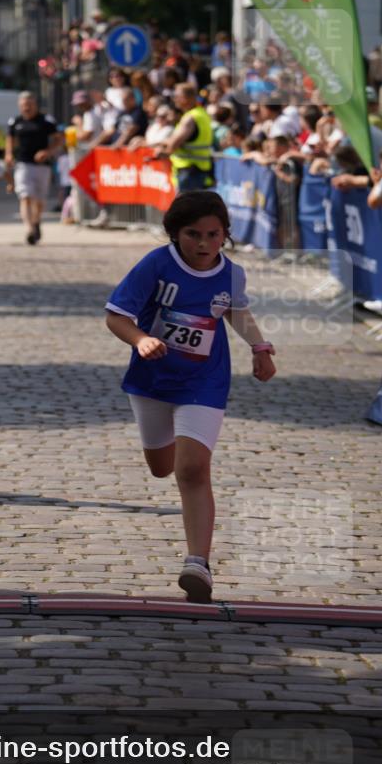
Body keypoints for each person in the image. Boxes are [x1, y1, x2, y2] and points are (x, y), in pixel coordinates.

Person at [105, 190, 276, 603]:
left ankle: (197, 563)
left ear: (226, 235)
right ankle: (164, 455)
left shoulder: (232, 274)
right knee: (161, 466)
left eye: (214, 234)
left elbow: (236, 311)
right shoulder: (156, 264)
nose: (203, 244)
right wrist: (141, 339)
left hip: (205, 382)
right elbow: (116, 315)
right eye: (193, 234)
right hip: (152, 379)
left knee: (193, 469)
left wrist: (259, 347)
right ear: (174, 234)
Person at [5, 92, 61, 245]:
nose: (26, 108)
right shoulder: (15, 121)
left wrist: (48, 151)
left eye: (29, 105)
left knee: (39, 199)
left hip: (42, 165)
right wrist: (9, 154)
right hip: (23, 163)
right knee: (25, 196)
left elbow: (58, 139)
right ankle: (29, 229)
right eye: (23, 105)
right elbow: (10, 139)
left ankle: (36, 222)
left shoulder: (46, 121)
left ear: (35, 105)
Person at [157, 83, 214, 192]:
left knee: (186, 207)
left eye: (178, 96)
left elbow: (173, 143)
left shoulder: (190, 118)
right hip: (198, 170)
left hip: (189, 171)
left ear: (188, 98)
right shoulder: (201, 114)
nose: (175, 99)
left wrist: (164, 150)